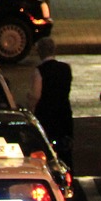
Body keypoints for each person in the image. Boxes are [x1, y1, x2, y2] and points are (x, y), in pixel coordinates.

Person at [29, 37, 73, 169]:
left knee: (46, 150)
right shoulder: (66, 68)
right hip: (64, 114)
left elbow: (36, 95)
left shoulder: (39, 71)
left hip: (46, 115)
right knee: (66, 151)